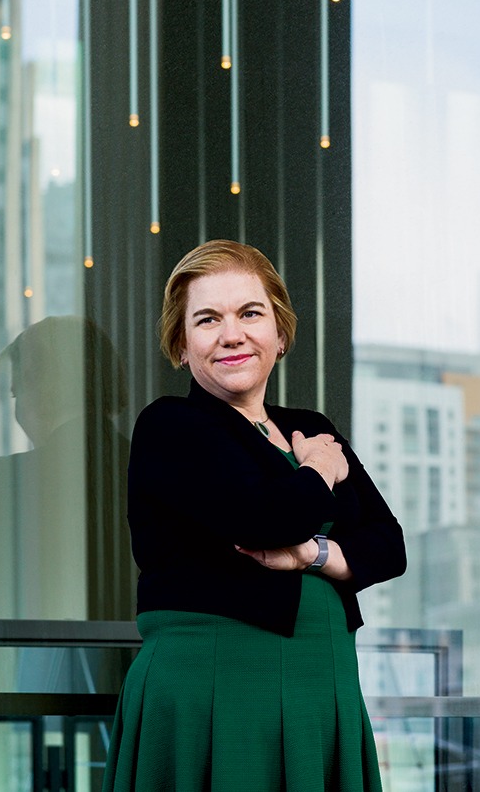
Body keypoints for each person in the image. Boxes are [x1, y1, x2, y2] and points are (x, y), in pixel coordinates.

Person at [102, 240, 407, 792]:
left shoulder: (310, 424)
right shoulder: (171, 425)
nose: (232, 334)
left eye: (250, 313)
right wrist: (315, 472)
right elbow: (265, 521)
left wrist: (314, 554)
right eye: (207, 319)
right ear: (181, 344)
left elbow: (389, 544)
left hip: (322, 683)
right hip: (214, 686)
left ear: (280, 333)